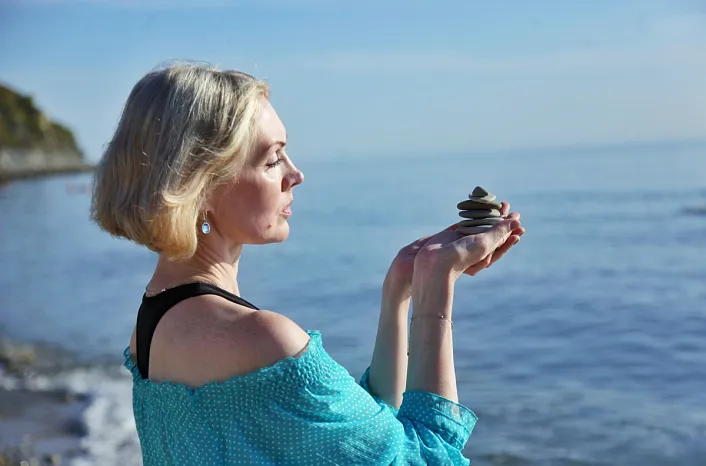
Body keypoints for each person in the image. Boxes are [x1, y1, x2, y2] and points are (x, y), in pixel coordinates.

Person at [90, 62, 524, 465]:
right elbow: (426, 457)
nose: (295, 175)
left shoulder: (150, 329)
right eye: (272, 159)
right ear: (199, 184)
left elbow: (366, 436)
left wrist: (399, 294)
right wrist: (437, 286)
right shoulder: (264, 342)